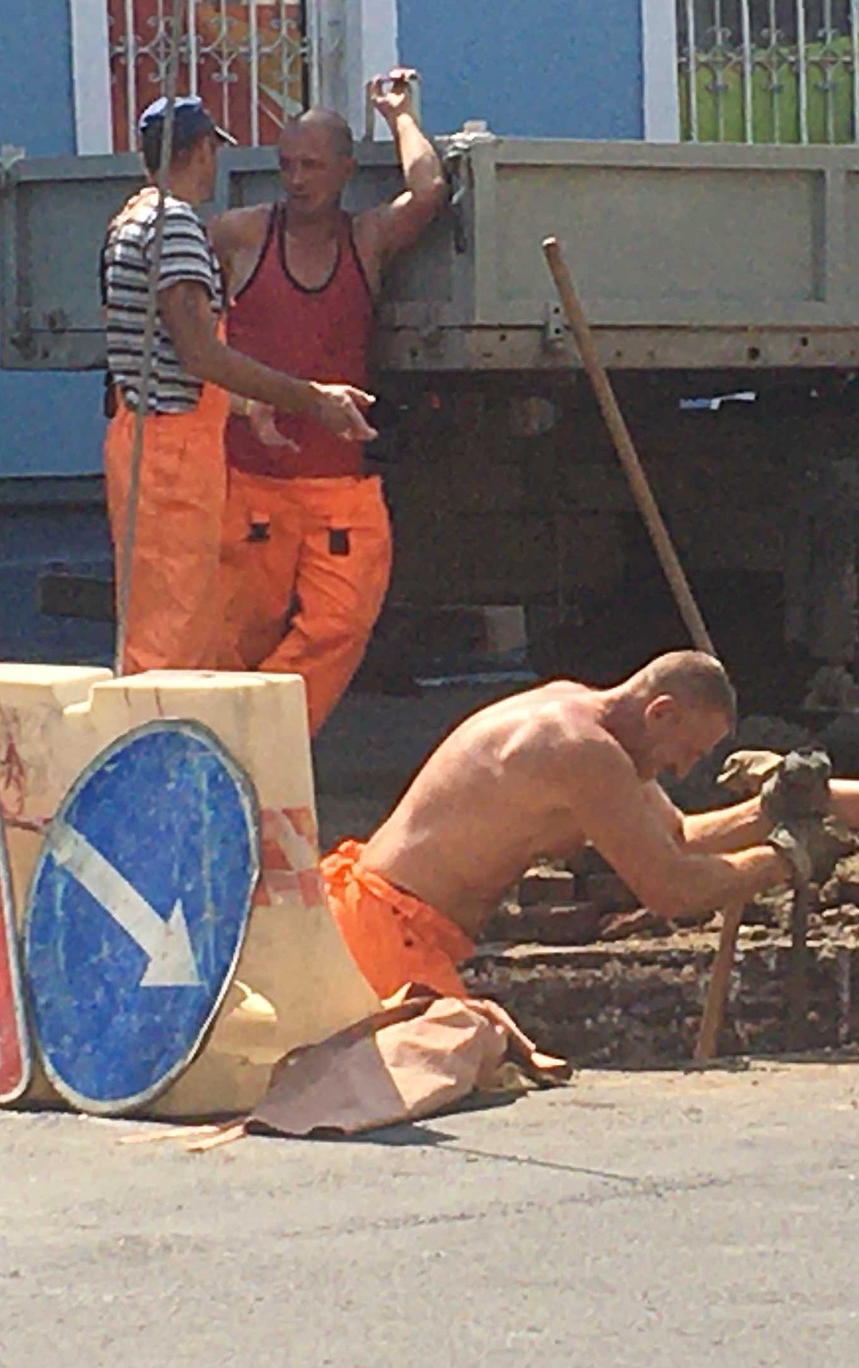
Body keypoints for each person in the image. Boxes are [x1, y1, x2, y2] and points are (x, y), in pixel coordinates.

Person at [322, 651, 815, 1000]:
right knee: (465, 1062)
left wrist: (766, 812)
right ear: (660, 712)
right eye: (686, 752)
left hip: (392, 924)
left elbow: (674, 837)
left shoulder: (590, 726)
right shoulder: (581, 750)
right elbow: (672, 890)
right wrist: (781, 860)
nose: (683, 771)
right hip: (386, 934)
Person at [101, 95, 377, 674]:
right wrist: (311, 398)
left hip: (147, 437)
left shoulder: (130, 218)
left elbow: (163, 357)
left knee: (163, 623)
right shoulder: (172, 225)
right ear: (201, 150)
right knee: (174, 638)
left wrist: (246, 405)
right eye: (212, 152)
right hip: (173, 451)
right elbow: (200, 353)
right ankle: (162, 756)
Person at [208, 71, 445, 730]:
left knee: (339, 625)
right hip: (250, 481)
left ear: (344, 170)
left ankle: (267, 740)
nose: (297, 178)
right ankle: (228, 750)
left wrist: (399, 116)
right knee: (233, 639)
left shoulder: (363, 240)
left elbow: (428, 190)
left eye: (312, 165)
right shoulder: (243, 234)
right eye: (287, 165)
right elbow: (173, 293)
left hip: (340, 483)